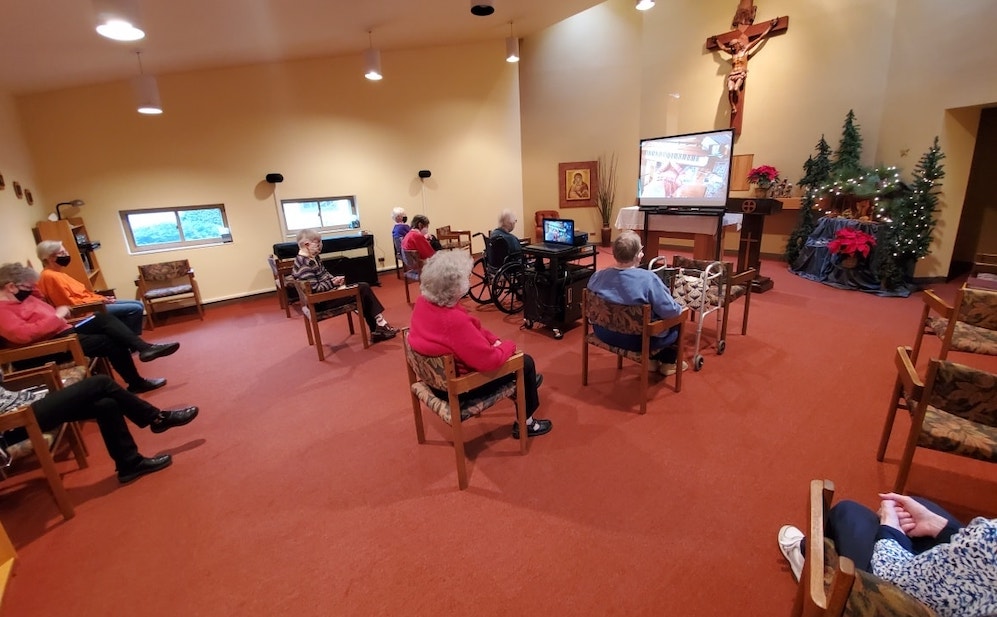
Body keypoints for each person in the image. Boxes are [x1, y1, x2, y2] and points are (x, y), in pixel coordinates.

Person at [778, 492, 997, 617]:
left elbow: (896, 578)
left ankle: (815, 567)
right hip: (971, 583)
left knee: (849, 512)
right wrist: (940, 527)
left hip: (906, 597)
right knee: (919, 508)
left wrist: (890, 529)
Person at [408, 250, 552, 439]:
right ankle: (526, 424)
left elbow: (472, 328)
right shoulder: (453, 322)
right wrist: (508, 346)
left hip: (432, 379)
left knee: (521, 368)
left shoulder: (425, 302)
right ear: (455, 287)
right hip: (460, 389)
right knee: (525, 363)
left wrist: (493, 340)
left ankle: (526, 383)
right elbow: (489, 361)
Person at [0, 263, 178, 393]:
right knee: (111, 342)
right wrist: (57, 316)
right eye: (27, 286)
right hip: (48, 347)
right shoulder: (2, 310)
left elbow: (39, 296)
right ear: (10, 286)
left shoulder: (22, 297)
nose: (31, 290)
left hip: (64, 332)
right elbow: (23, 336)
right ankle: (137, 381)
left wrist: (31, 285)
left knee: (101, 318)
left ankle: (145, 349)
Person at [0, 372, 198, 484]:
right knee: (100, 382)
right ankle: (157, 418)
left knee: (106, 404)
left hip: (26, 402)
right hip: (11, 423)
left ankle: (129, 465)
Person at [585, 231, 687, 376]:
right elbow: (670, 311)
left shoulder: (598, 276)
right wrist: (680, 309)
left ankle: (652, 361)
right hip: (637, 342)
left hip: (603, 332)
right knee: (677, 318)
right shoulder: (648, 279)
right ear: (639, 254)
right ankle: (668, 363)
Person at [291, 229, 397, 343]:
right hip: (320, 302)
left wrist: (333, 279)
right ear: (307, 244)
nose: (320, 246)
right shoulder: (304, 264)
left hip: (325, 295)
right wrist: (332, 283)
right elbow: (315, 289)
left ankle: (378, 327)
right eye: (318, 243)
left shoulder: (312, 257)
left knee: (362, 290)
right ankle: (379, 326)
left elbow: (325, 274)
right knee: (363, 289)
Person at [35, 240, 146, 335]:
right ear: (50, 258)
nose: (66, 255)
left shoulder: (59, 273)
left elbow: (83, 294)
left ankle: (127, 337)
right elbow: (70, 304)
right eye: (62, 253)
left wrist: (102, 299)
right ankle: (128, 340)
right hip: (86, 311)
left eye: (66, 251)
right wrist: (100, 302)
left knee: (139, 304)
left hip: (94, 304)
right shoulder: (50, 277)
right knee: (135, 309)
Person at [718, 19, 778, 116]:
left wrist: (770, 27)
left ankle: (738, 103)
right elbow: (723, 48)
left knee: (736, 88)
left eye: (734, 46)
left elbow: (759, 38)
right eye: (732, 46)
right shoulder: (732, 54)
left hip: (741, 73)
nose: (733, 48)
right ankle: (733, 105)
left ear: (738, 44)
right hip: (732, 74)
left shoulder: (745, 51)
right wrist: (716, 40)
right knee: (730, 89)